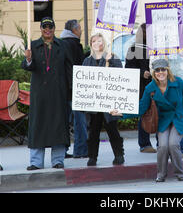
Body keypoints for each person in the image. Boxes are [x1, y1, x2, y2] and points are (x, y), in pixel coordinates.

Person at [113, 58, 183, 182]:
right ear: (153, 73)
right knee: (162, 146)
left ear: (168, 70)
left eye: (163, 70)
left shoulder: (179, 82)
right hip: (163, 120)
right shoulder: (151, 87)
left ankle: (179, 173)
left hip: (179, 118)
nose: (160, 73)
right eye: (157, 70)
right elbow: (141, 107)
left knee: (173, 144)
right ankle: (161, 174)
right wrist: (122, 113)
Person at [22, 17, 74, 170]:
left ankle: (58, 160)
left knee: (58, 125)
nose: (47, 30)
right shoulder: (32, 46)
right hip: (40, 93)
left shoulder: (62, 45)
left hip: (58, 92)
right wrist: (28, 59)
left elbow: (69, 68)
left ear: (54, 29)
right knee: (38, 126)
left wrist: (71, 89)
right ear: (41, 29)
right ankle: (36, 162)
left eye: (50, 27)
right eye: (45, 27)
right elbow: (26, 66)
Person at [83, 32, 125, 167]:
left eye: (99, 41)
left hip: (109, 102)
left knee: (112, 129)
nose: (96, 43)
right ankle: (92, 157)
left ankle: (119, 154)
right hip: (94, 103)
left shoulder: (112, 57)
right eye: (93, 41)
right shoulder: (87, 61)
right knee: (93, 131)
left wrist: (109, 62)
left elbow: (120, 75)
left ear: (104, 43)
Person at [125, 23, 156, 153]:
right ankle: (144, 144)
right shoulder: (133, 49)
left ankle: (162, 142)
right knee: (144, 113)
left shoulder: (156, 48)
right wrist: (141, 73)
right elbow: (127, 69)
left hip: (158, 84)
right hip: (143, 86)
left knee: (160, 113)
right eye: (145, 32)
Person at [60, 19, 88, 159]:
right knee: (79, 120)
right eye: (80, 28)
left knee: (64, 120)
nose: (81, 31)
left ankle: (62, 150)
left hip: (63, 88)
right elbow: (79, 65)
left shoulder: (59, 43)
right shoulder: (74, 44)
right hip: (74, 88)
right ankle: (81, 150)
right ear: (74, 30)